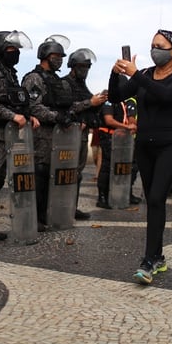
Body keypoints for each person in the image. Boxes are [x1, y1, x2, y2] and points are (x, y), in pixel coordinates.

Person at [108, 30, 172, 285]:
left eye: (161, 45)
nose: (155, 49)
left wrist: (135, 75)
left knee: (157, 197)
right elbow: (116, 96)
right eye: (152, 45)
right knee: (153, 200)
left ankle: (148, 261)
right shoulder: (144, 74)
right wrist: (116, 74)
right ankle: (157, 256)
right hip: (145, 143)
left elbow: (167, 95)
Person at [0, 30, 39, 248]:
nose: (16, 53)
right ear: (0, 49)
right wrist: (12, 116)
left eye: (17, 50)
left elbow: (16, 102)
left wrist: (29, 117)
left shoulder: (10, 73)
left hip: (8, 136)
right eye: (12, 49)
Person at [22, 35, 76, 231]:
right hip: (40, 135)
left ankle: (45, 214)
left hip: (57, 136)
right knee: (39, 174)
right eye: (55, 55)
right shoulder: (34, 78)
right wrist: (57, 117)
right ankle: (33, 217)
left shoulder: (57, 80)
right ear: (44, 55)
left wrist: (69, 115)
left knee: (50, 176)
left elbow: (65, 105)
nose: (59, 59)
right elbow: (34, 107)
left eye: (61, 56)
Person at [63, 48, 107, 220]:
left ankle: (71, 207)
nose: (85, 70)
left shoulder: (82, 85)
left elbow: (87, 107)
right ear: (73, 66)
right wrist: (90, 102)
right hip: (66, 136)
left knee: (77, 174)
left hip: (80, 136)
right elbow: (66, 108)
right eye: (82, 66)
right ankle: (61, 207)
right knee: (65, 173)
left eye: (87, 67)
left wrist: (98, 101)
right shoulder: (65, 84)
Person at [95, 100, 137, 209]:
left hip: (119, 139)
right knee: (106, 167)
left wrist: (130, 126)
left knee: (117, 168)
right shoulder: (109, 102)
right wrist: (126, 127)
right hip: (108, 137)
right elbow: (109, 120)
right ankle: (102, 197)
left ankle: (113, 195)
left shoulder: (124, 102)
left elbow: (130, 118)